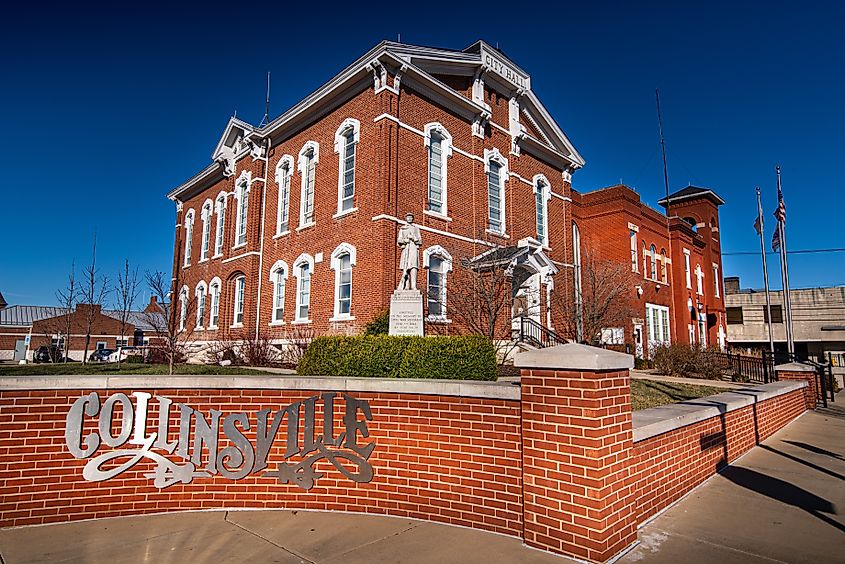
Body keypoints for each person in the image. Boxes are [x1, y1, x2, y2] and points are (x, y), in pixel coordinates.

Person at [397, 213, 422, 290]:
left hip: (413, 247)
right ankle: (406, 286)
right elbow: (399, 240)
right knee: (406, 266)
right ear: (406, 218)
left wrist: (414, 238)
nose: (409, 219)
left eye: (411, 217)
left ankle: (413, 286)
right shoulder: (403, 228)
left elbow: (420, 241)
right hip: (406, 248)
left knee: (413, 266)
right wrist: (405, 240)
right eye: (408, 217)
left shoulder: (416, 228)